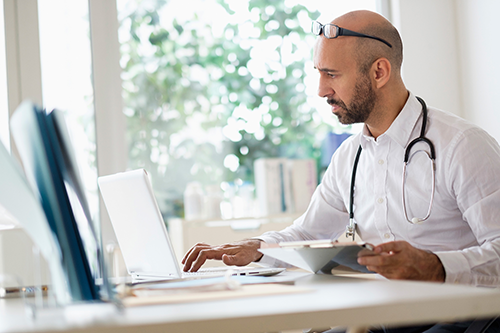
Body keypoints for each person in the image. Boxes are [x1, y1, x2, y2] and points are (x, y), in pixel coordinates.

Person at [182, 10, 500, 332]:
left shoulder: (463, 146)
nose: (321, 90)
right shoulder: (349, 156)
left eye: (331, 74)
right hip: (384, 315)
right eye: (319, 73)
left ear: (379, 72)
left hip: (459, 315)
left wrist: (435, 267)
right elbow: (308, 234)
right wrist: (257, 247)